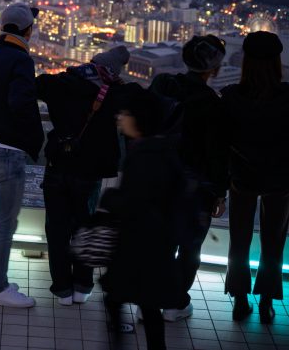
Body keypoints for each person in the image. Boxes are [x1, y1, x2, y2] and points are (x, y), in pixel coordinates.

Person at [36, 45, 131, 306]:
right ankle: (83, 286)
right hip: (90, 172)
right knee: (84, 228)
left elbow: (39, 84)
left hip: (58, 165)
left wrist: (72, 72)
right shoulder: (115, 93)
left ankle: (62, 289)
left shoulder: (63, 84)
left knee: (56, 230)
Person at [149, 35, 229, 322]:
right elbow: (218, 154)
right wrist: (220, 191)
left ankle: (153, 299)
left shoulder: (164, 87)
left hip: (160, 182)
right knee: (190, 248)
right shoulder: (213, 104)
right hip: (197, 190)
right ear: (214, 69)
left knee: (162, 244)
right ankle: (175, 303)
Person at [101, 85, 185, 350]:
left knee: (115, 298)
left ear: (138, 118)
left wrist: (109, 200)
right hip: (156, 245)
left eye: (124, 113)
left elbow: (135, 201)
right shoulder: (162, 149)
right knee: (148, 307)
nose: (119, 118)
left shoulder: (144, 155)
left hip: (137, 246)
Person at [0, 2, 43, 308]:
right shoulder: (20, 59)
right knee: (5, 223)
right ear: (28, 30)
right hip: (10, 151)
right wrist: (35, 139)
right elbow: (21, 102)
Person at [221, 30, 289, 324]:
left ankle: (239, 298)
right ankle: (266, 302)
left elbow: (222, 141)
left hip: (242, 177)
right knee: (274, 239)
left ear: (245, 61)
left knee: (239, 237)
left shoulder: (232, 97)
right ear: (277, 62)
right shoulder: (288, 97)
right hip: (280, 179)